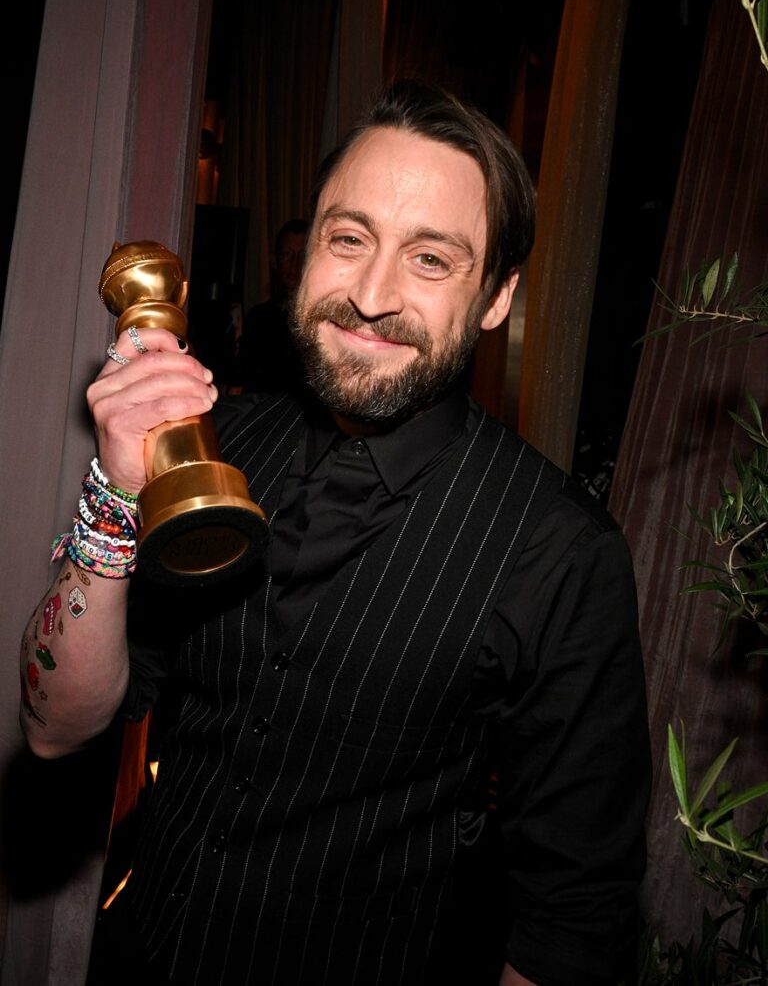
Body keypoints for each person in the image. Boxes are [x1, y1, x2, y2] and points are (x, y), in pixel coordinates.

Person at [19, 80, 650, 986]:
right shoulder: (218, 444)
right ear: (306, 250)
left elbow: (572, 923)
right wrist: (117, 490)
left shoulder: (563, 553)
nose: (371, 294)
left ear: (498, 297)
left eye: (431, 260)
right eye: (347, 239)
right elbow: (55, 727)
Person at [235, 218, 308, 392]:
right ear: (275, 261)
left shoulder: (323, 320)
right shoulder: (258, 318)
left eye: (303, 256)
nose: (295, 264)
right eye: (287, 254)